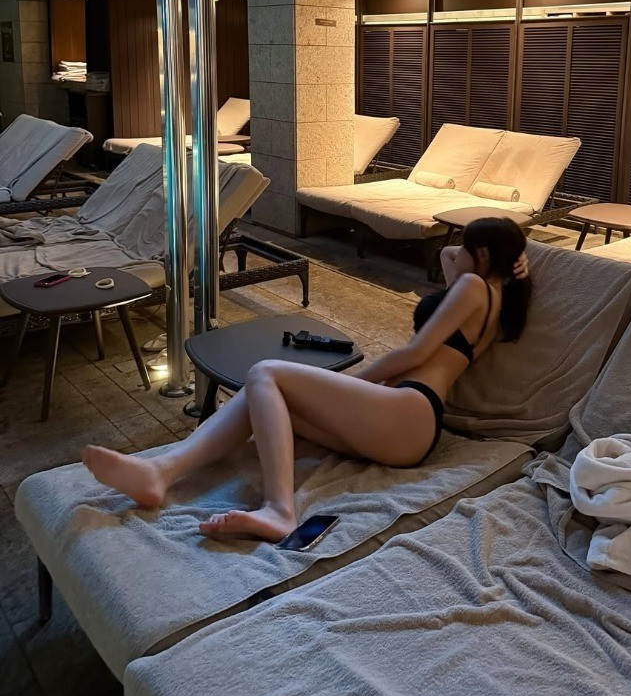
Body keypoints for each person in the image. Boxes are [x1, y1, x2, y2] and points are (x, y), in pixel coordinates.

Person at [82, 218, 531, 543]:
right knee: (262, 398)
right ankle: (161, 472)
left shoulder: (475, 289)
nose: (455, 251)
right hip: (407, 426)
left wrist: (357, 383)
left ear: (483, 256)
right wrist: (508, 258)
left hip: (409, 411)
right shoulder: (490, 299)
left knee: (265, 372)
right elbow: (451, 258)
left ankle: (280, 510)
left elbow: (414, 354)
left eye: (467, 245)